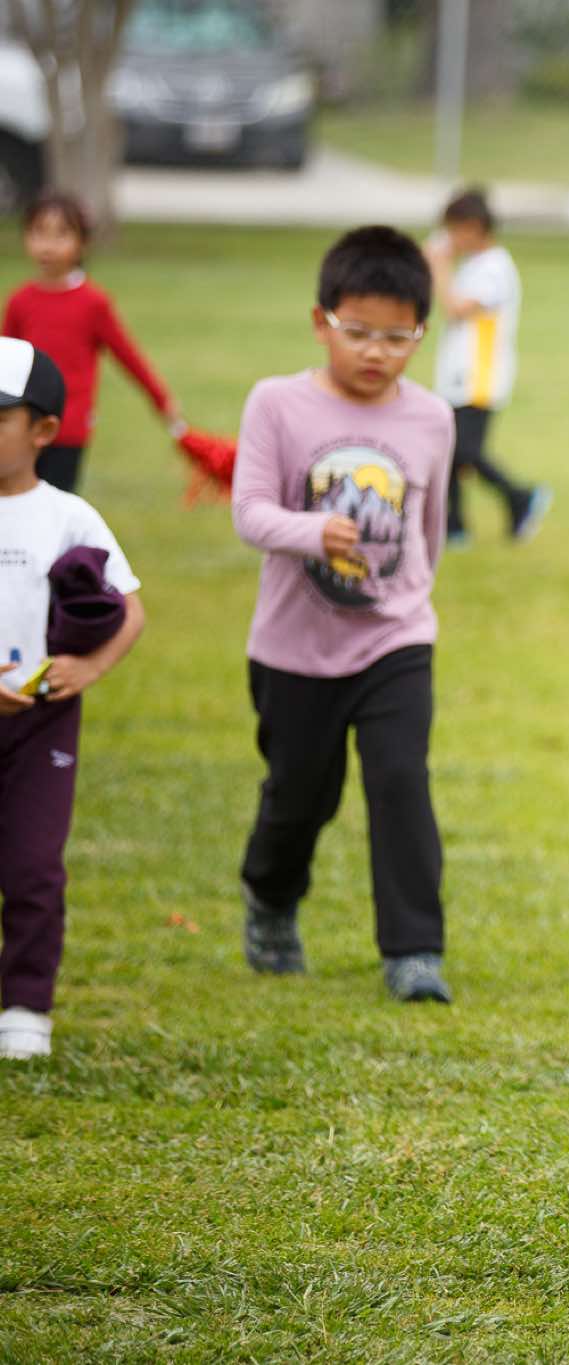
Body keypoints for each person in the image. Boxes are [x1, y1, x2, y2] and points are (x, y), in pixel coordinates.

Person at [229, 226, 457, 1005]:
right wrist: (312, 531)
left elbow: (429, 527)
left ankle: (415, 951)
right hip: (294, 647)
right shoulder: (277, 403)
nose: (376, 352)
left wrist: (409, 598)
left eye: (398, 337)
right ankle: (269, 897)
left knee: (400, 780)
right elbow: (250, 511)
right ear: (321, 321)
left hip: (395, 637)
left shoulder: (432, 418)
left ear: (420, 334)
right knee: (300, 796)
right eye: (358, 332)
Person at [0, 336, 145, 1059]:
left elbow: (131, 609)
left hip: (41, 722)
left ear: (45, 430)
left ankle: (26, 1005)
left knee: (32, 866)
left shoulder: (68, 516)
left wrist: (90, 667)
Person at [2, 189, 179, 493]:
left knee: (56, 502)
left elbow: (127, 356)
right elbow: (5, 362)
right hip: (24, 426)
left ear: (82, 242)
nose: (48, 245)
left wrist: (162, 400)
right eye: (39, 232)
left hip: (69, 428)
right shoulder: (20, 301)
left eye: (61, 235)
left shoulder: (92, 303)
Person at [423, 187, 548, 545]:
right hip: (459, 374)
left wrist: (439, 266)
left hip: (480, 374)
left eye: (454, 230)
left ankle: (520, 496)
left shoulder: (494, 268)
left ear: (474, 227)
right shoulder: (476, 265)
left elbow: (455, 309)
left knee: (465, 451)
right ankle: (454, 526)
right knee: (447, 449)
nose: (450, 238)